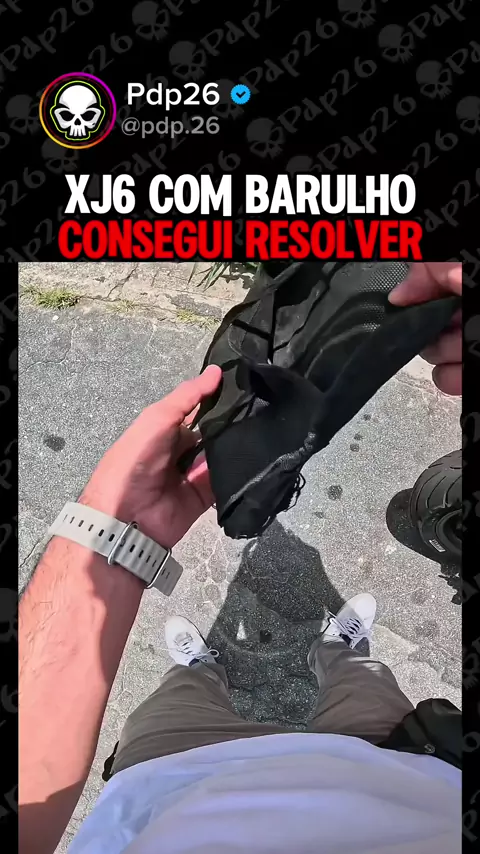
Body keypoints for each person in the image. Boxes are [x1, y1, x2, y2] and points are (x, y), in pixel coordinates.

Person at [19, 262, 462, 854]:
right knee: (364, 680)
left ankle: (203, 672)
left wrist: (117, 529)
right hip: (397, 759)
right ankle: (338, 653)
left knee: (179, 695)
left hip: (164, 774)